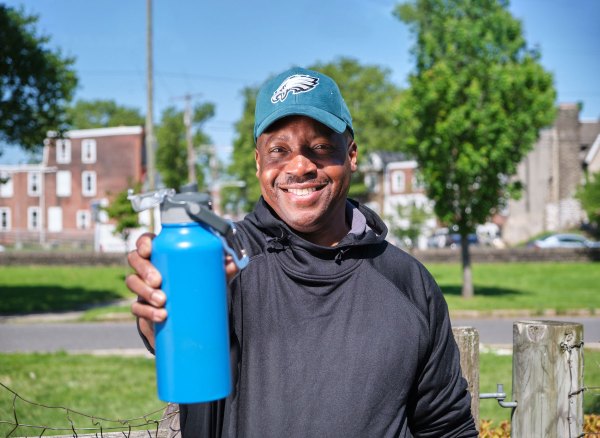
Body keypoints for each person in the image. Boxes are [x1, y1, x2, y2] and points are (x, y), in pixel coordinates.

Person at [127, 67, 478, 437]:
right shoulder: (220, 262)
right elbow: (171, 332)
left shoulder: (408, 281)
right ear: (259, 163)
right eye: (279, 150)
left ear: (352, 154)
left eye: (321, 148)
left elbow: (446, 426)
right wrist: (156, 318)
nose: (299, 166)